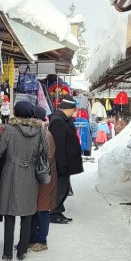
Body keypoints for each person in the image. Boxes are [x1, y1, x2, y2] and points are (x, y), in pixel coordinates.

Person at [0, 100, 48, 261]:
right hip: (30, 173)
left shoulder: (9, 129)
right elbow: (45, 151)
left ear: (15, 113)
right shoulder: (40, 130)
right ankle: (22, 250)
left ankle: (7, 252)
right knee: (27, 213)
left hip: (11, 172)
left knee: (10, 212)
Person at [48, 94, 83, 224]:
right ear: (68, 109)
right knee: (60, 188)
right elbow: (58, 145)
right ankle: (53, 213)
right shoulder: (58, 121)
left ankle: (58, 211)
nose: (74, 112)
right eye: (74, 110)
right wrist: (61, 164)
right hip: (61, 164)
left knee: (65, 187)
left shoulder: (64, 119)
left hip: (66, 163)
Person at [30, 105, 57, 252]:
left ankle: (41, 240)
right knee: (35, 210)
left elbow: (48, 157)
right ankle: (32, 239)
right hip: (41, 177)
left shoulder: (45, 135)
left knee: (42, 210)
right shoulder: (41, 133)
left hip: (45, 178)